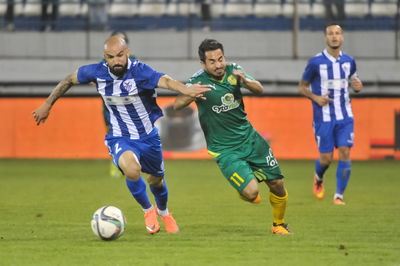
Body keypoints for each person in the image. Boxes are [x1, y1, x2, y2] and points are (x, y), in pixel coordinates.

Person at [32, 36, 210, 234]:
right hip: (119, 136)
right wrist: (48, 104)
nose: (116, 61)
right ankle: (148, 210)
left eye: (119, 55)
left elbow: (165, 81)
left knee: (156, 181)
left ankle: (164, 212)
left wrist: (186, 89)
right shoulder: (96, 72)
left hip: (148, 137)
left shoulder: (140, 71)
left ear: (127, 53)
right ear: (105, 57)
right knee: (132, 170)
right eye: (110, 57)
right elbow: (68, 80)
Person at [173, 39, 291, 235]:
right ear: (203, 63)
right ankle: (243, 186)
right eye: (212, 61)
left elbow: (259, 89)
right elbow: (177, 105)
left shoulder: (234, 71)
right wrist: (191, 94)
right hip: (225, 149)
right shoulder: (197, 81)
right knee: (252, 193)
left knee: (277, 184)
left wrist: (246, 81)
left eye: (221, 59)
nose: (218, 65)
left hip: (250, 139)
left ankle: (278, 225)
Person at [298, 24, 363, 205]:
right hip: (323, 117)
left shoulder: (349, 61)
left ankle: (338, 196)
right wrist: (316, 98)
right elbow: (302, 87)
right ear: (325, 38)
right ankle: (319, 176)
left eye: (337, 33)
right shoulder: (315, 63)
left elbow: (354, 81)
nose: (334, 37)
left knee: (345, 152)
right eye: (330, 34)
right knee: (326, 159)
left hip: (345, 115)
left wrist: (358, 87)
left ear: (342, 37)